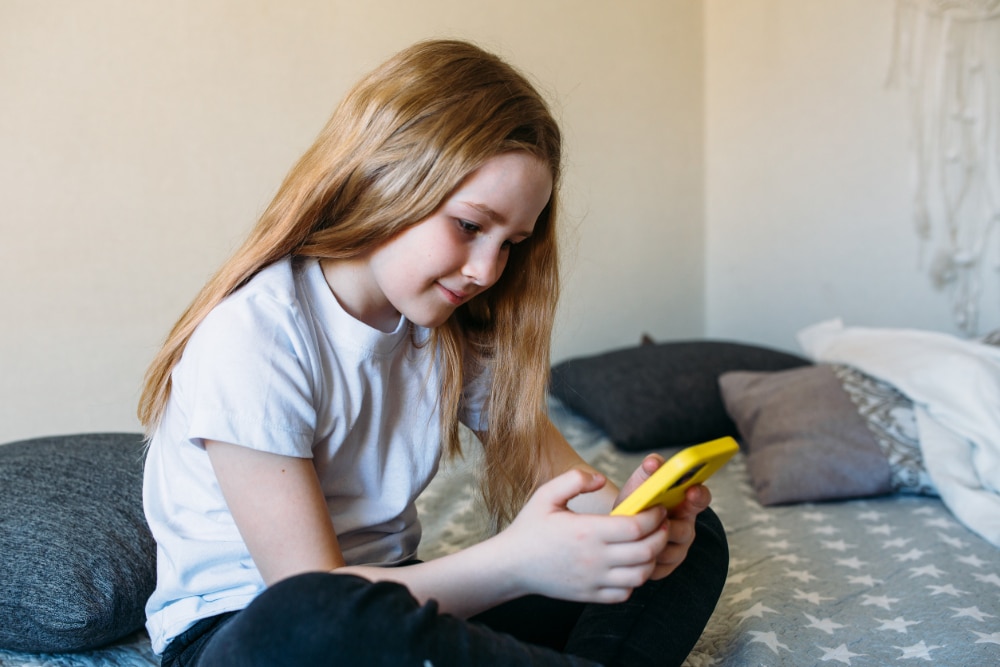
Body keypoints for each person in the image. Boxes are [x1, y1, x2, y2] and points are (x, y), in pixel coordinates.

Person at [137, 39, 728, 667]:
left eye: (510, 244)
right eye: (471, 226)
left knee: (696, 541)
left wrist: (633, 523)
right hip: (257, 626)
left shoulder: (449, 328)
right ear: (385, 179)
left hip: (403, 603)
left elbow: (568, 484)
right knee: (305, 620)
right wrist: (515, 563)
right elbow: (309, 592)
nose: (485, 269)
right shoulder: (255, 334)